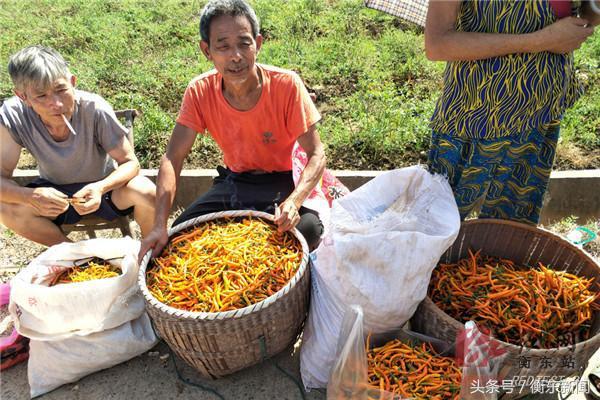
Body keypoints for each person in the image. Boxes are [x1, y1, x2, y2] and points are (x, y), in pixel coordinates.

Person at [139, 0, 326, 260]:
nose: (235, 56)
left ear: (258, 44)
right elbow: (173, 157)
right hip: (237, 183)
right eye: (223, 46)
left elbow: (317, 153)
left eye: (244, 43)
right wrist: (159, 224)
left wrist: (295, 201)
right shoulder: (200, 91)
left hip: (286, 181)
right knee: (177, 239)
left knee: (307, 232)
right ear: (207, 50)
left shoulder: (286, 85)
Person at [425, 0, 598, 224]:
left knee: (511, 235)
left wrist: (591, 13)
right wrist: (540, 40)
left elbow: (581, 13)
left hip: (541, 115)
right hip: (477, 120)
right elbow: (437, 44)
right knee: (432, 228)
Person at [0, 45, 156, 246]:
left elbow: (130, 163)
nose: (56, 104)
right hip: (53, 193)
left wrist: (100, 188)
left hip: (105, 188)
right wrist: (29, 196)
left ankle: (152, 252)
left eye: (61, 90)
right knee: (5, 209)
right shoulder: (13, 115)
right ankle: (77, 258)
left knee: (147, 191)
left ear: (72, 82)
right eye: (41, 96)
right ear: (23, 97)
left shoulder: (94, 108)